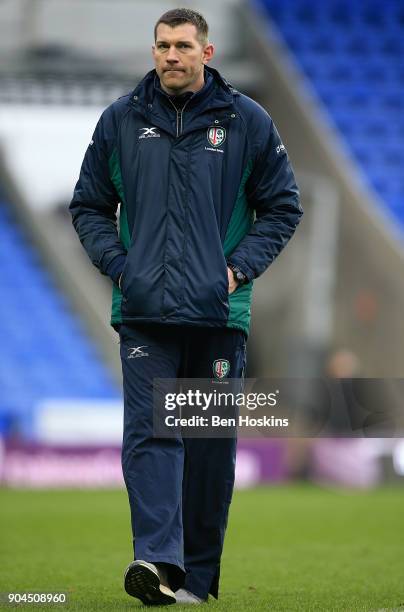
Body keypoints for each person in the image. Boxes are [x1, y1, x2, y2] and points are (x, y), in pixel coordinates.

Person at [69, 7, 302, 606]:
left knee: (207, 449)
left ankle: (195, 581)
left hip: (219, 315)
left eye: (182, 46)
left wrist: (238, 268)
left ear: (208, 52)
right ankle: (157, 563)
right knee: (152, 434)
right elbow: (89, 205)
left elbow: (282, 207)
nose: (171, 56)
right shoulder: (120, 120)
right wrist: (121, 267)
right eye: (162, 46)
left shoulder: (248, 121)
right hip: (144, 312)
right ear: (154, 52)